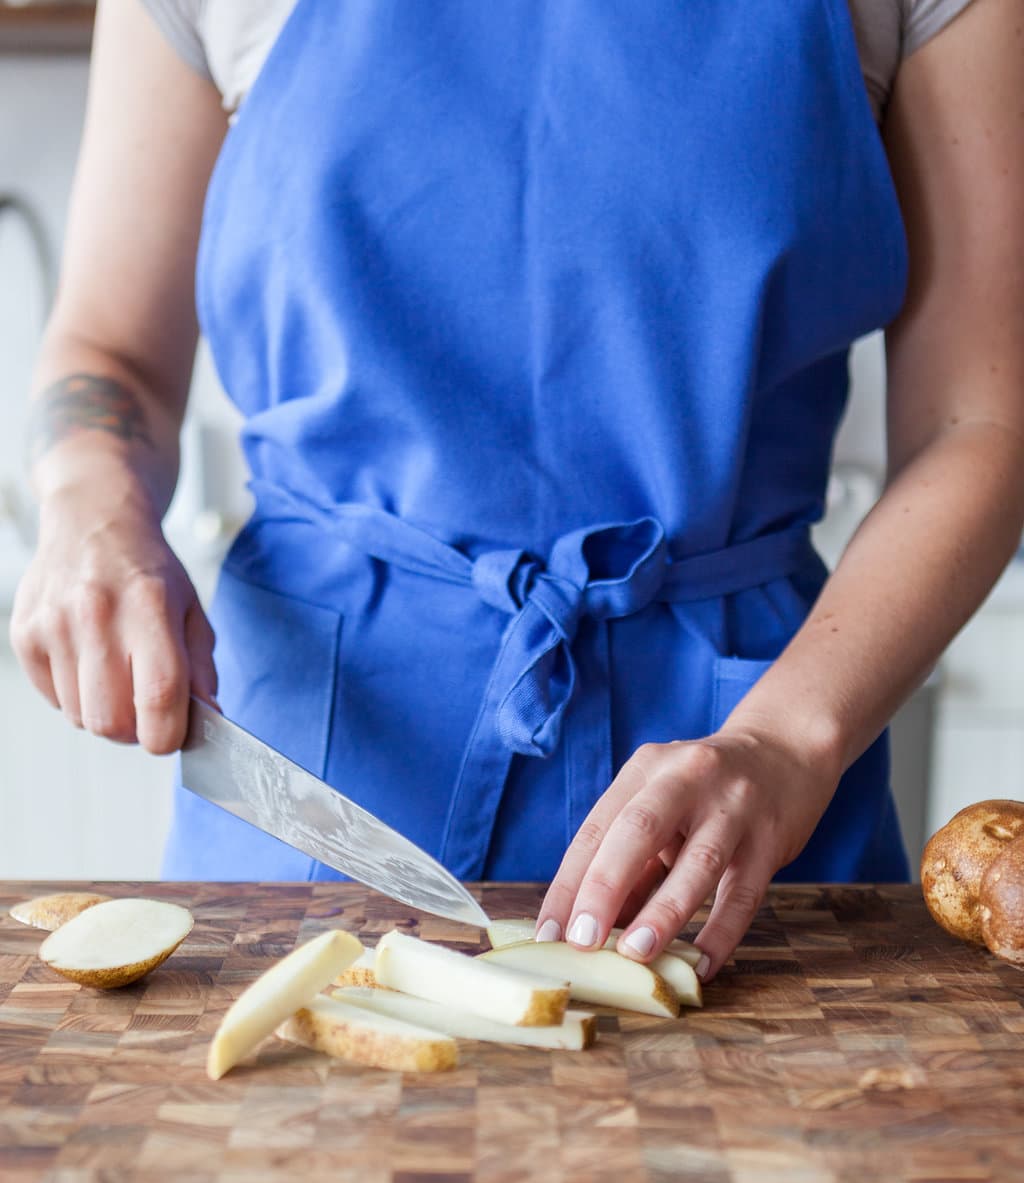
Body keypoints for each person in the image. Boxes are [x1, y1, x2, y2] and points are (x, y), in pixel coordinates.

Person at [12, 0, 1024, 984]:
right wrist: (90, 509)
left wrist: (785, 739)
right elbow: (114, 354)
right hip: (321, 766)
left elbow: (977, 422)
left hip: (752, 768)